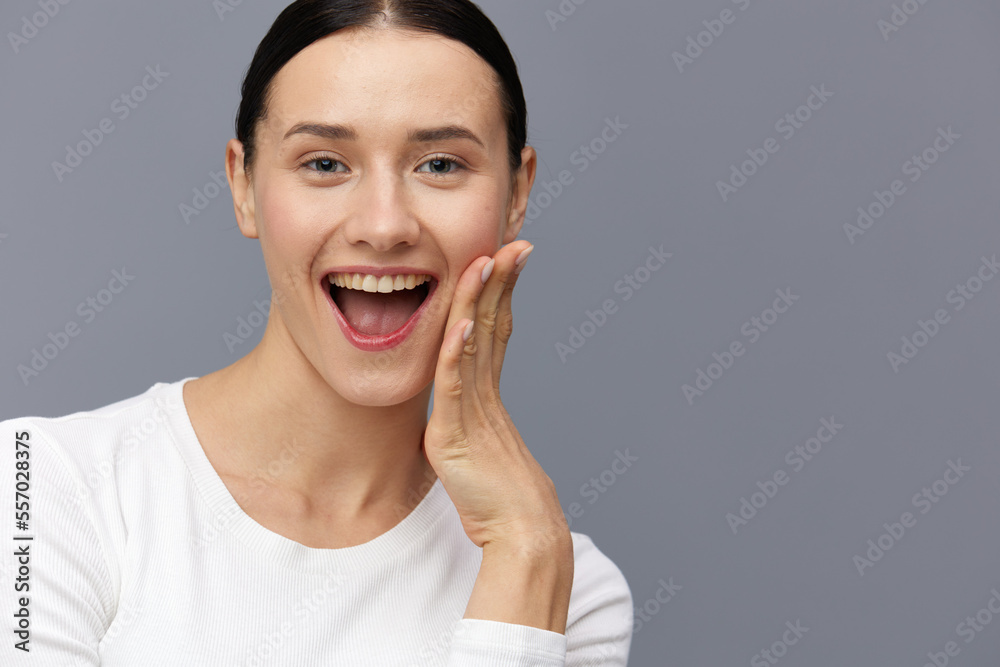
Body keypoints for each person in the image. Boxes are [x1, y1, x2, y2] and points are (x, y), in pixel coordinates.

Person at [0, 1, 634, 664]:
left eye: (441, 164)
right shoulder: (40, 486)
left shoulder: (566, 586)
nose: (384, 225)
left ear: (515, 194)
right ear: (243, 184)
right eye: (326, 163)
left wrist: (525, 547)